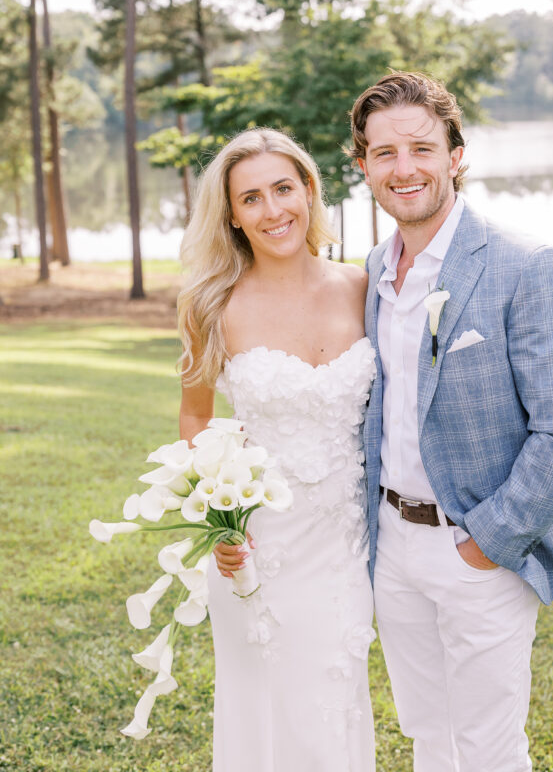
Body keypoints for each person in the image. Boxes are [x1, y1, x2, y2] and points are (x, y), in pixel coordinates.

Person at [348, 71, 553, 772]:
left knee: (489, 750)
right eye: (384, 153)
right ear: (364, 166)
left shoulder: (526, 265)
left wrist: (486, 543)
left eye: (421, 148)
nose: (404, 168)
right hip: (392, 545)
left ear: (455, 155)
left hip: (477, 548)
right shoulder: (374, 270)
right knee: (427, 737)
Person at [177, 128, 377, 772]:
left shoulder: (365, 288)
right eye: (251, 198)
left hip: (344, 547)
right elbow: (196, 415)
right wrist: (220, 524)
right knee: (263, 712)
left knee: (332, 710)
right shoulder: (211, 305)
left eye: (283, 189)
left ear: (310, 189)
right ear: (233, 216)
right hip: (257, 547)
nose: (272, 210)